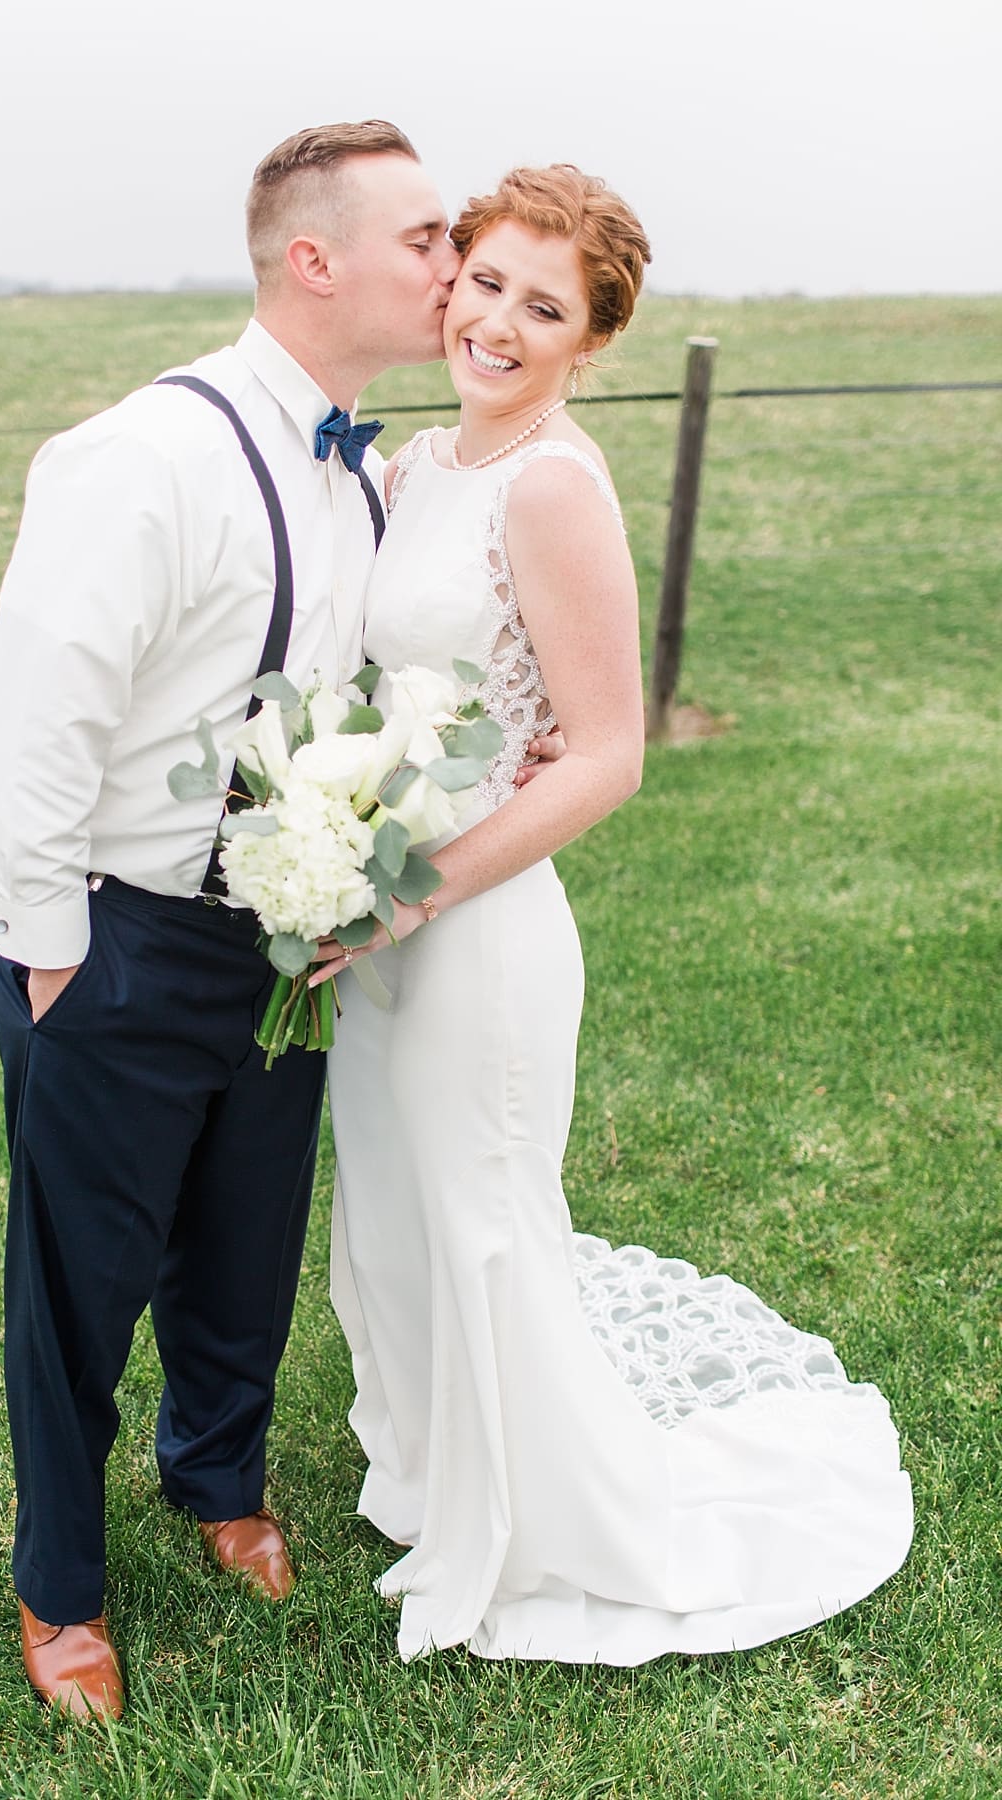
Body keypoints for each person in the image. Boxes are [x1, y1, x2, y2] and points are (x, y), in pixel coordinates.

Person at [312, 165, 914, 1664]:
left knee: (481, 1214)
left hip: (475, 933)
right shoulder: (411, 472)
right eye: (490, 282)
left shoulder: (553, 486)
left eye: (547, 308)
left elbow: (609, 755)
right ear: (450, 280)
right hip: (376, 911)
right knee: (388, 1209)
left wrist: (410, 896)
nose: (501, 323)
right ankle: (440, 1472)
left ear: (591, 343)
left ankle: (546, 1525)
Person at [0, 120, 462, 1719]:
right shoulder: (144, 458)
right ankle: (60, 1588)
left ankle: (220, 1479)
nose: (451, 271)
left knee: (247, 1236)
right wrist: (51, 951)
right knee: (80, 1272)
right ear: (313, 262)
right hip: (115, 937)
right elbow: (32, 724)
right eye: (427, 241)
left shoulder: (370, 468)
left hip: (285, 932)